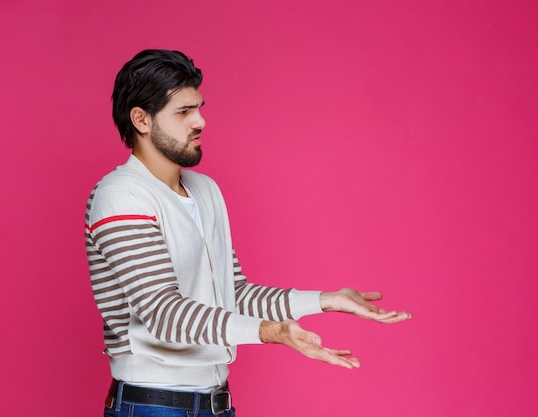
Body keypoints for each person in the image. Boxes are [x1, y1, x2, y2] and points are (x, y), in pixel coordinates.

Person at [85, 49, 412, 417]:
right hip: (153, 405)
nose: (200, 121)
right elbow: (163, 312)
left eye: (199, 107)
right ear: (141, 120)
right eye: (183, 112)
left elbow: (232, 294)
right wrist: (273, 332)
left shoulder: (204, 190)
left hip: (214, 404)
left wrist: (326, 300)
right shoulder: (121, 194)